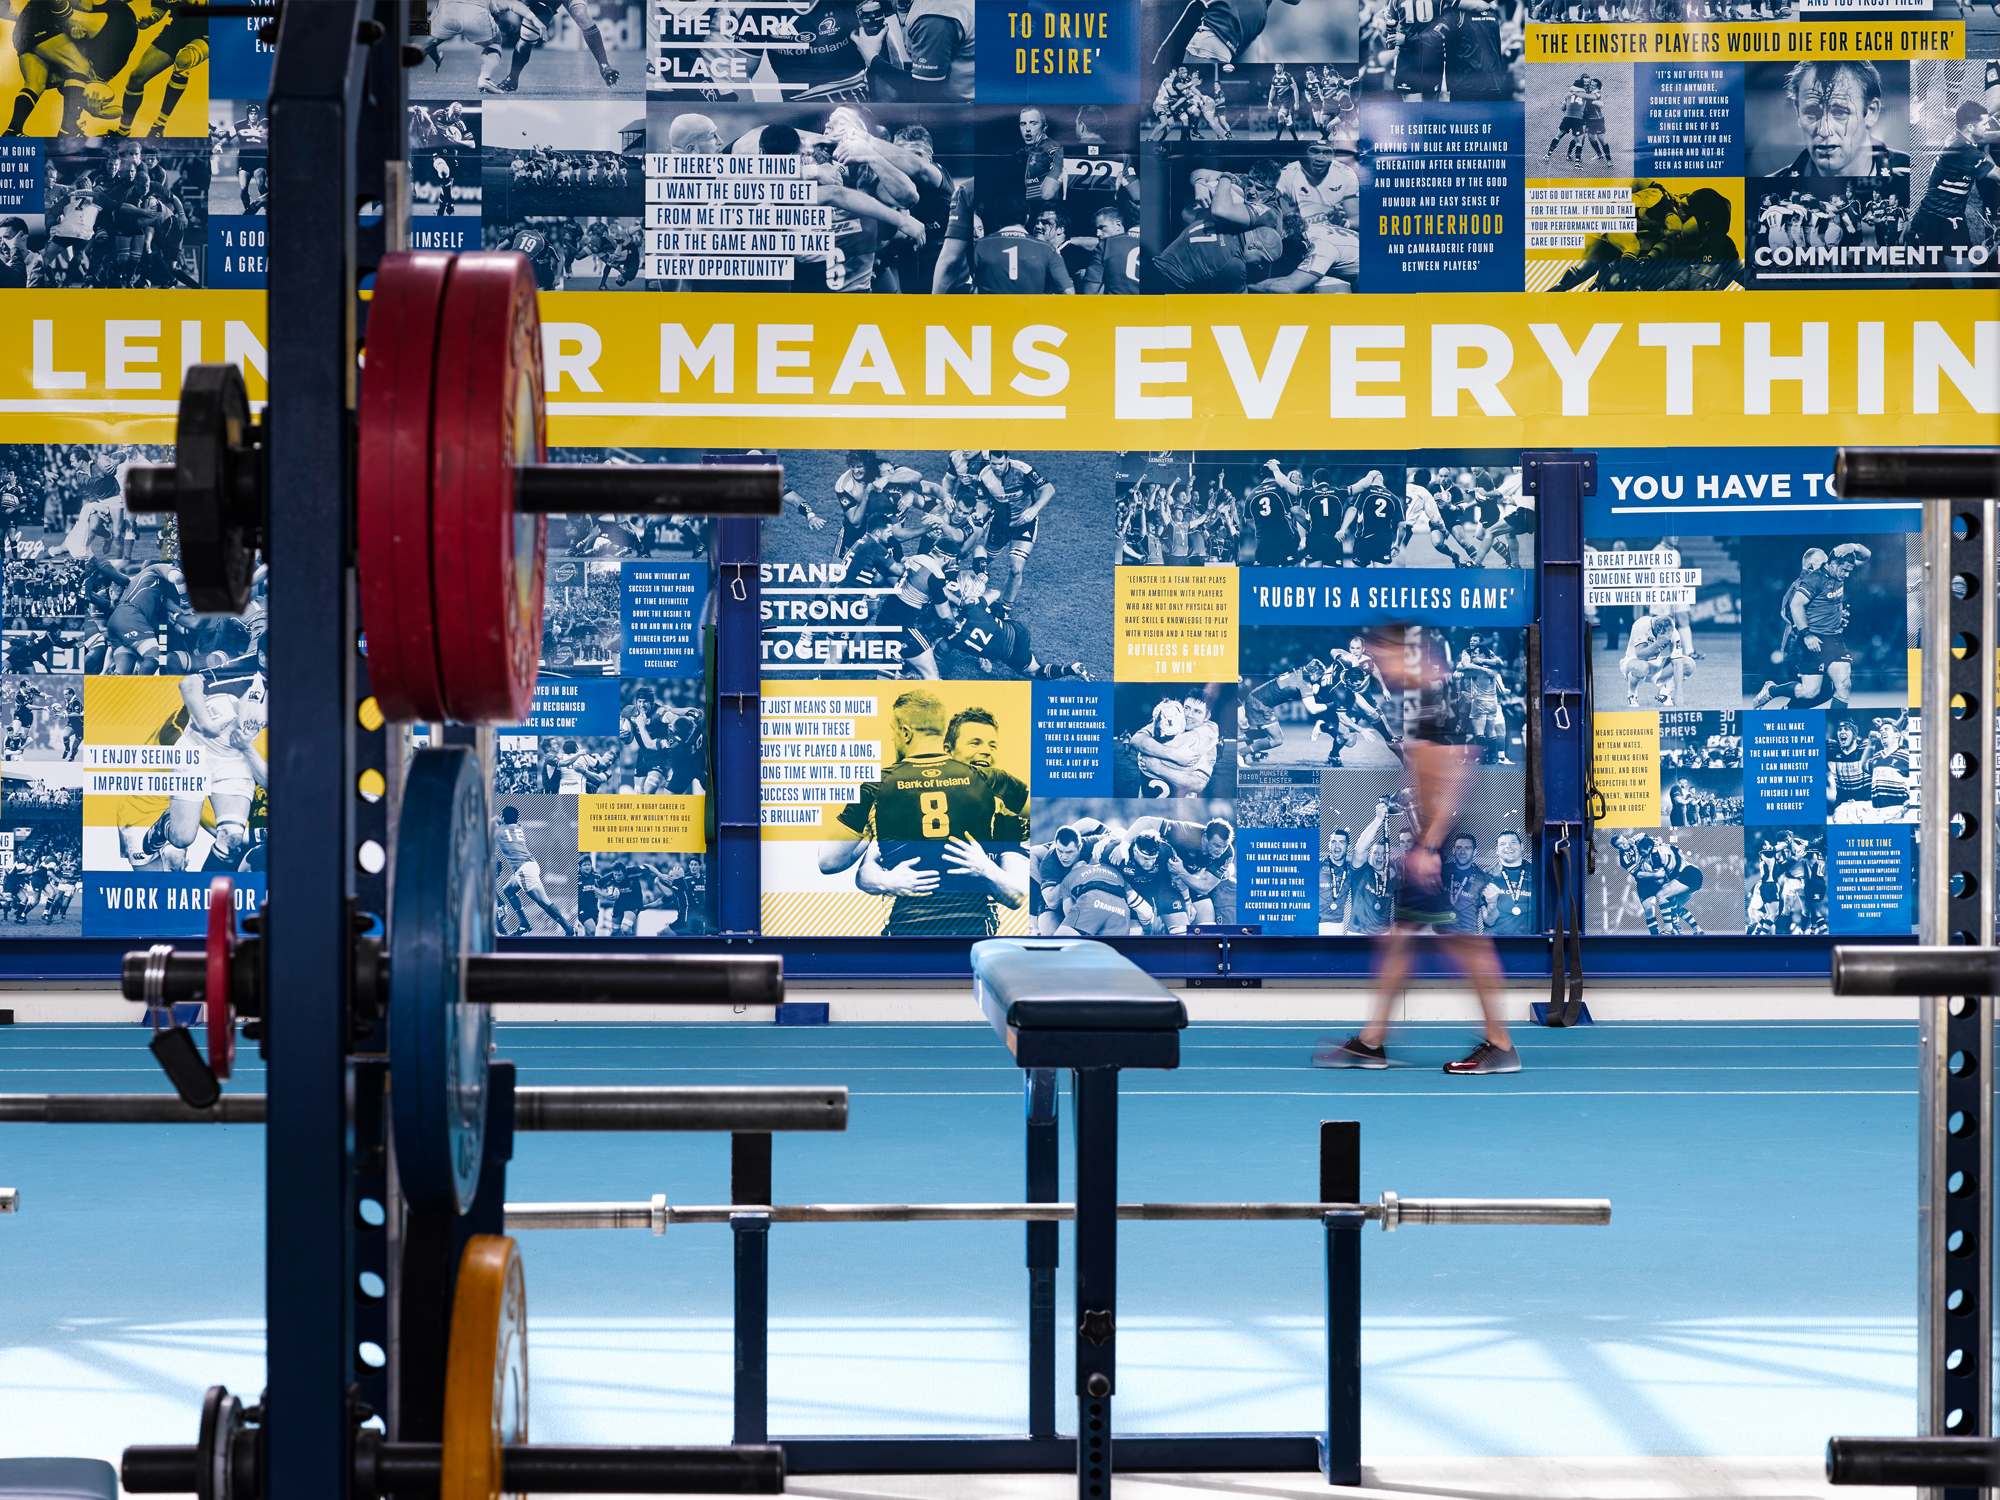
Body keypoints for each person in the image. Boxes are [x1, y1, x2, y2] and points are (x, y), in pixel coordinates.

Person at [1315, 623, 1520, 1075]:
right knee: (1403, 943)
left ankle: (1501, 1044)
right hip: (1426, 839)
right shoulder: (1416, 695)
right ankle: (1371, 1042)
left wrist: (1428, 844)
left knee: (1465, 944)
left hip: (1435, 842)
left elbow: (1452, 777)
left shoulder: (1432, 697)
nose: (1376, 661)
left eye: (1381, 653)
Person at [1770, 61, 1909, 181]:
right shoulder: (1766, 187)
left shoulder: (1915, 177)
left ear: (1871, 112)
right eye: (1812, 113)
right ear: (1798, 112)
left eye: (1839, 112)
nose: (1824, 131)